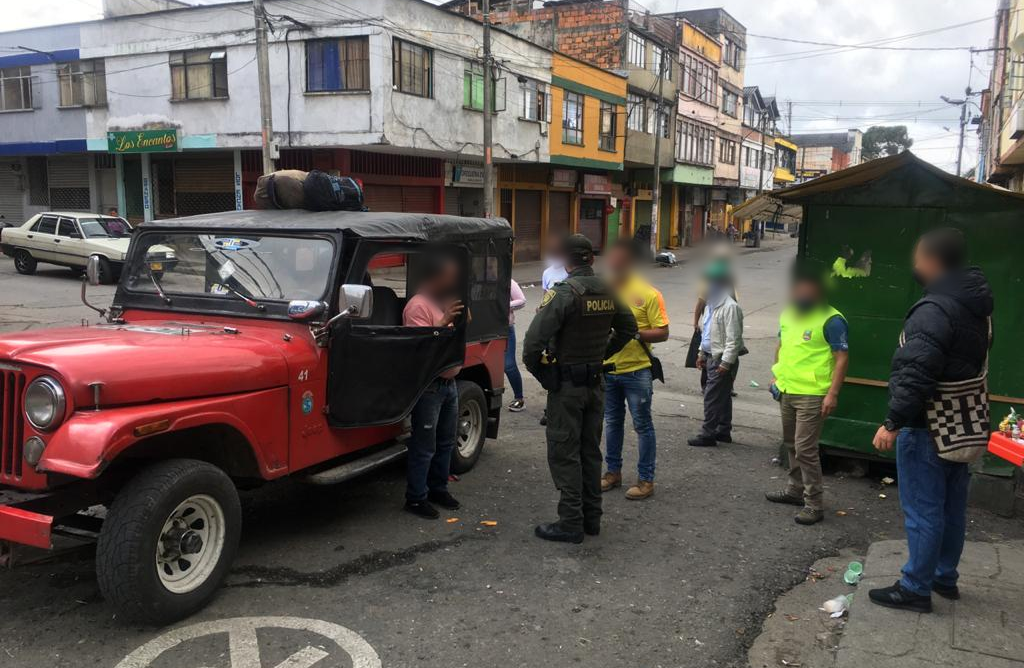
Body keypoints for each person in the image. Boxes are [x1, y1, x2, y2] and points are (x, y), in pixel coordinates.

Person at [868, 228, 992, 614]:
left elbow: (917, 370)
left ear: (933, 261)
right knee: (952, 508)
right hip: (962, 425)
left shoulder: (935, 308)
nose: (914, 264)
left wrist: (893, 422)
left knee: (924, 509)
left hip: (927, 427)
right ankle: (944, 576)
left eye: (918, 257)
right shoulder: (976, 305)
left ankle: (915, 587)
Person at [523, 234, 637, 543]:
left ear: (565, 261)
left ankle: (571, 522)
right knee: (589, 451)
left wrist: (547, 376)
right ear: (592, 259)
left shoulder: (564, 294)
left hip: (568, 387)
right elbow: (630, 328)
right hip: (595, 385)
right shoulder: (609, 290)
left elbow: (531, 346)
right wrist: (601, 355)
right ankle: (592, 518)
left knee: (564, 452)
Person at [764, 269, 849, 525]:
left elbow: (842, 357)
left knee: (805, 449)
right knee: (791, 444)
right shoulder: (788, 313)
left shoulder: (832, 320)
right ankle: (794, 490)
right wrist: (775, 375)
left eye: (806, 289)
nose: (800, 293)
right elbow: (781, 345)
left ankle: (814, 504)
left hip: (812, 394)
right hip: (787, 390)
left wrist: (832, 394)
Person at [600, 240, 669, 500]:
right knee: (612, 423)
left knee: (642, 425)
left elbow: (662, 332)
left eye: (620, 260)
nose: (615, 264)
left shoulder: (648, 293)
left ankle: (645, 480)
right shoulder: (602, 289)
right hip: (608, 369)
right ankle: (612, 473)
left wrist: (635, 333)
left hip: (637, 371)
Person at [401, 256, 466, 520]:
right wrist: (444, 321)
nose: (453, 281)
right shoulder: (417, 306)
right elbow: (420, 346)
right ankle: (415, 498)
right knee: (424, 445)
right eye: (450, 275)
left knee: (446, 442)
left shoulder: (439, 302)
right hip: (430, 386)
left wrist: (458, 320)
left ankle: (438, 488)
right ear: (436, 277)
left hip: (449, 384)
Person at [688, 261, 744, 448]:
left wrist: (725, 364)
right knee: (723, 395)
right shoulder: (712, 305)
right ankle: (723, 430)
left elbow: (733, 340)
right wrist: (701, 353)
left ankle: (708, 434)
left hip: (721, 360)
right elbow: (707, 332)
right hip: (712, 355)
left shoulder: (730, 307)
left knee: (711, 397)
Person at [505, 278, 527, 411]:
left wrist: (504, 305)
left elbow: (522, 300)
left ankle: (519, 398)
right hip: (484, 328)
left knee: (509, 365)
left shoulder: (509, 281)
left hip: (505, 328)